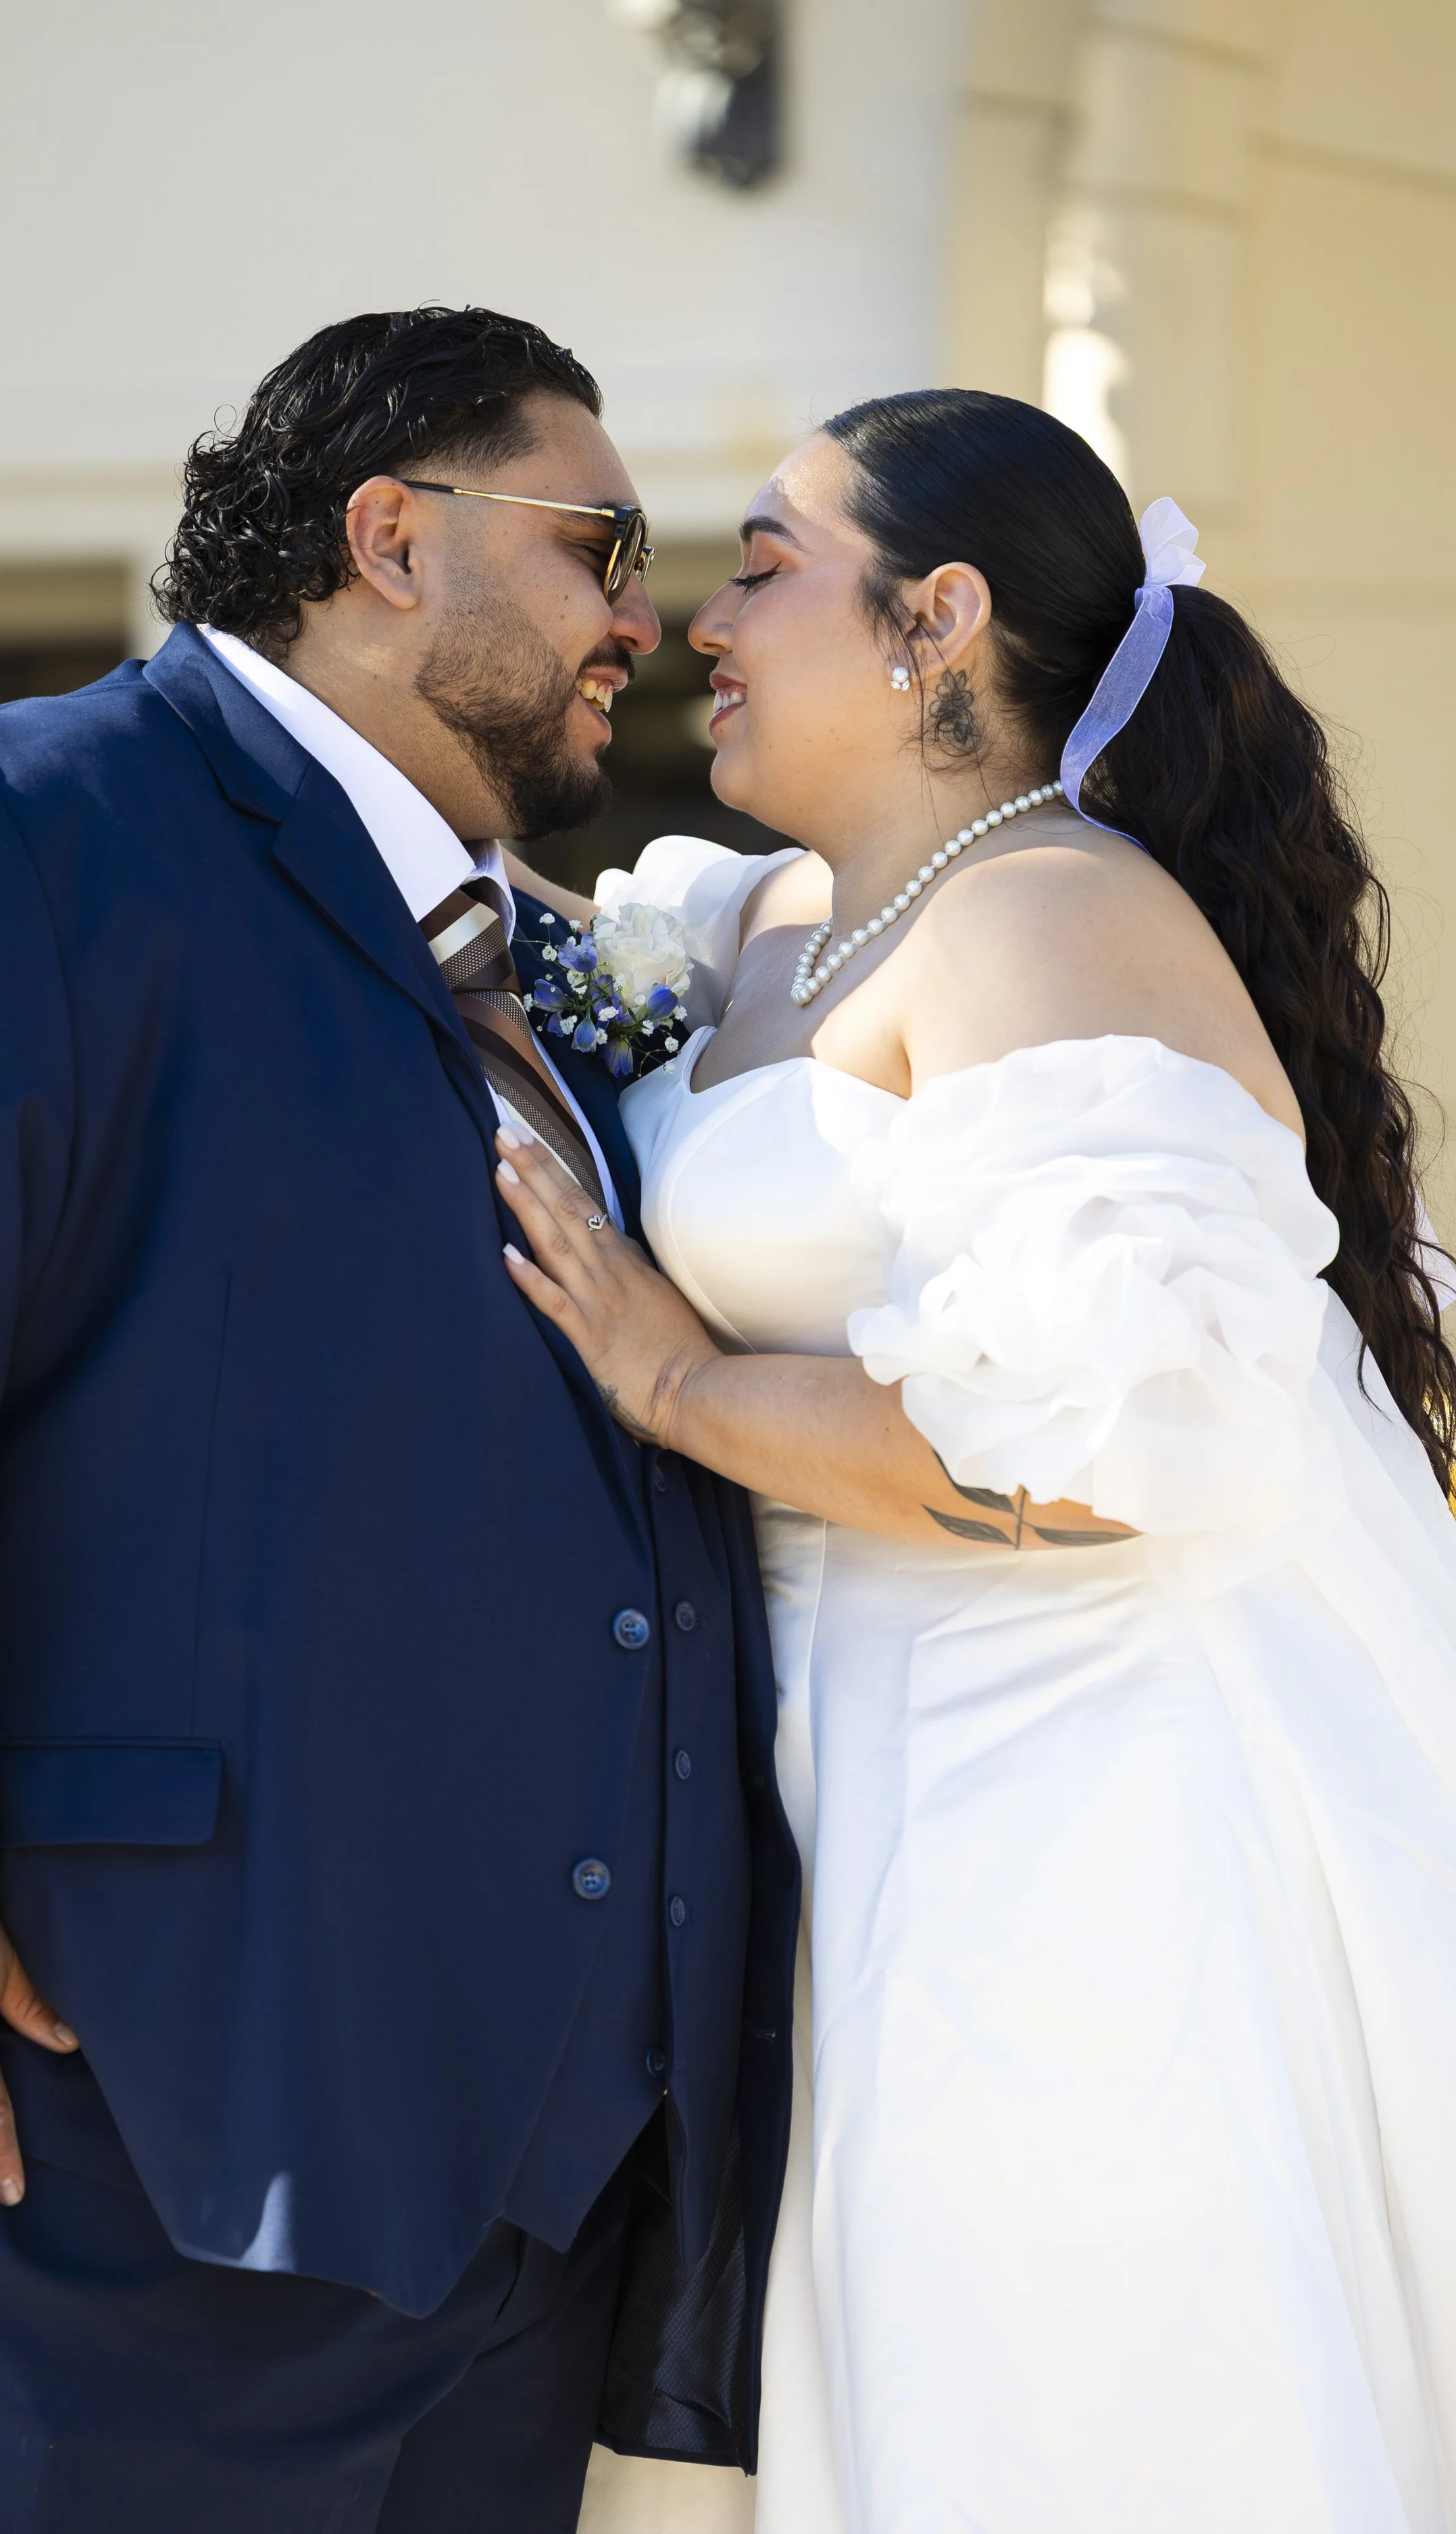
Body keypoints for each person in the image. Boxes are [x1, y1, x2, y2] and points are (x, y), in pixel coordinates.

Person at [0, 305, 798, 2534]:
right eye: (600, 539)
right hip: (99, 2140)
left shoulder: (508, 954)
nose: (647, 612)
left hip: (524, 2204)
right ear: (387, 538)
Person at [516, 391, 1456, 2534]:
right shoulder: (761, 923)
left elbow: (1120, 1439)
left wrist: (674, 1386)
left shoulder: (1042, 912)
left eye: (762, 563)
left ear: (935, 618)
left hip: (1072, 1792)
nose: (697, 621)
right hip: (832, 1776)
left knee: (1068, 2406)